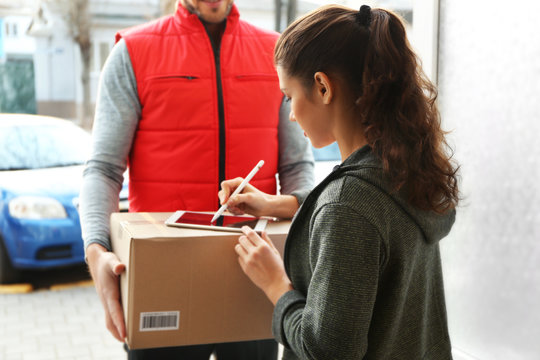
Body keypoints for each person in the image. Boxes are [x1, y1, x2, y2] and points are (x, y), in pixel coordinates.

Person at [218, 4, 460, 359]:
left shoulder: (347, 205)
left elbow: (327, 351)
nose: (289, 112)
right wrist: (281, 203)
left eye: (289, 96)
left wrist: (275, 284)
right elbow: (372, 213)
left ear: (322, 87)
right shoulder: (406, 169)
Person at [79, 0, 315, 359]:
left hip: (253, 278)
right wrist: (96, 249)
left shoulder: (278, 53)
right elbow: (103, 169)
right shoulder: (132, 51)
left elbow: (299, 167)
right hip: (163, 276)